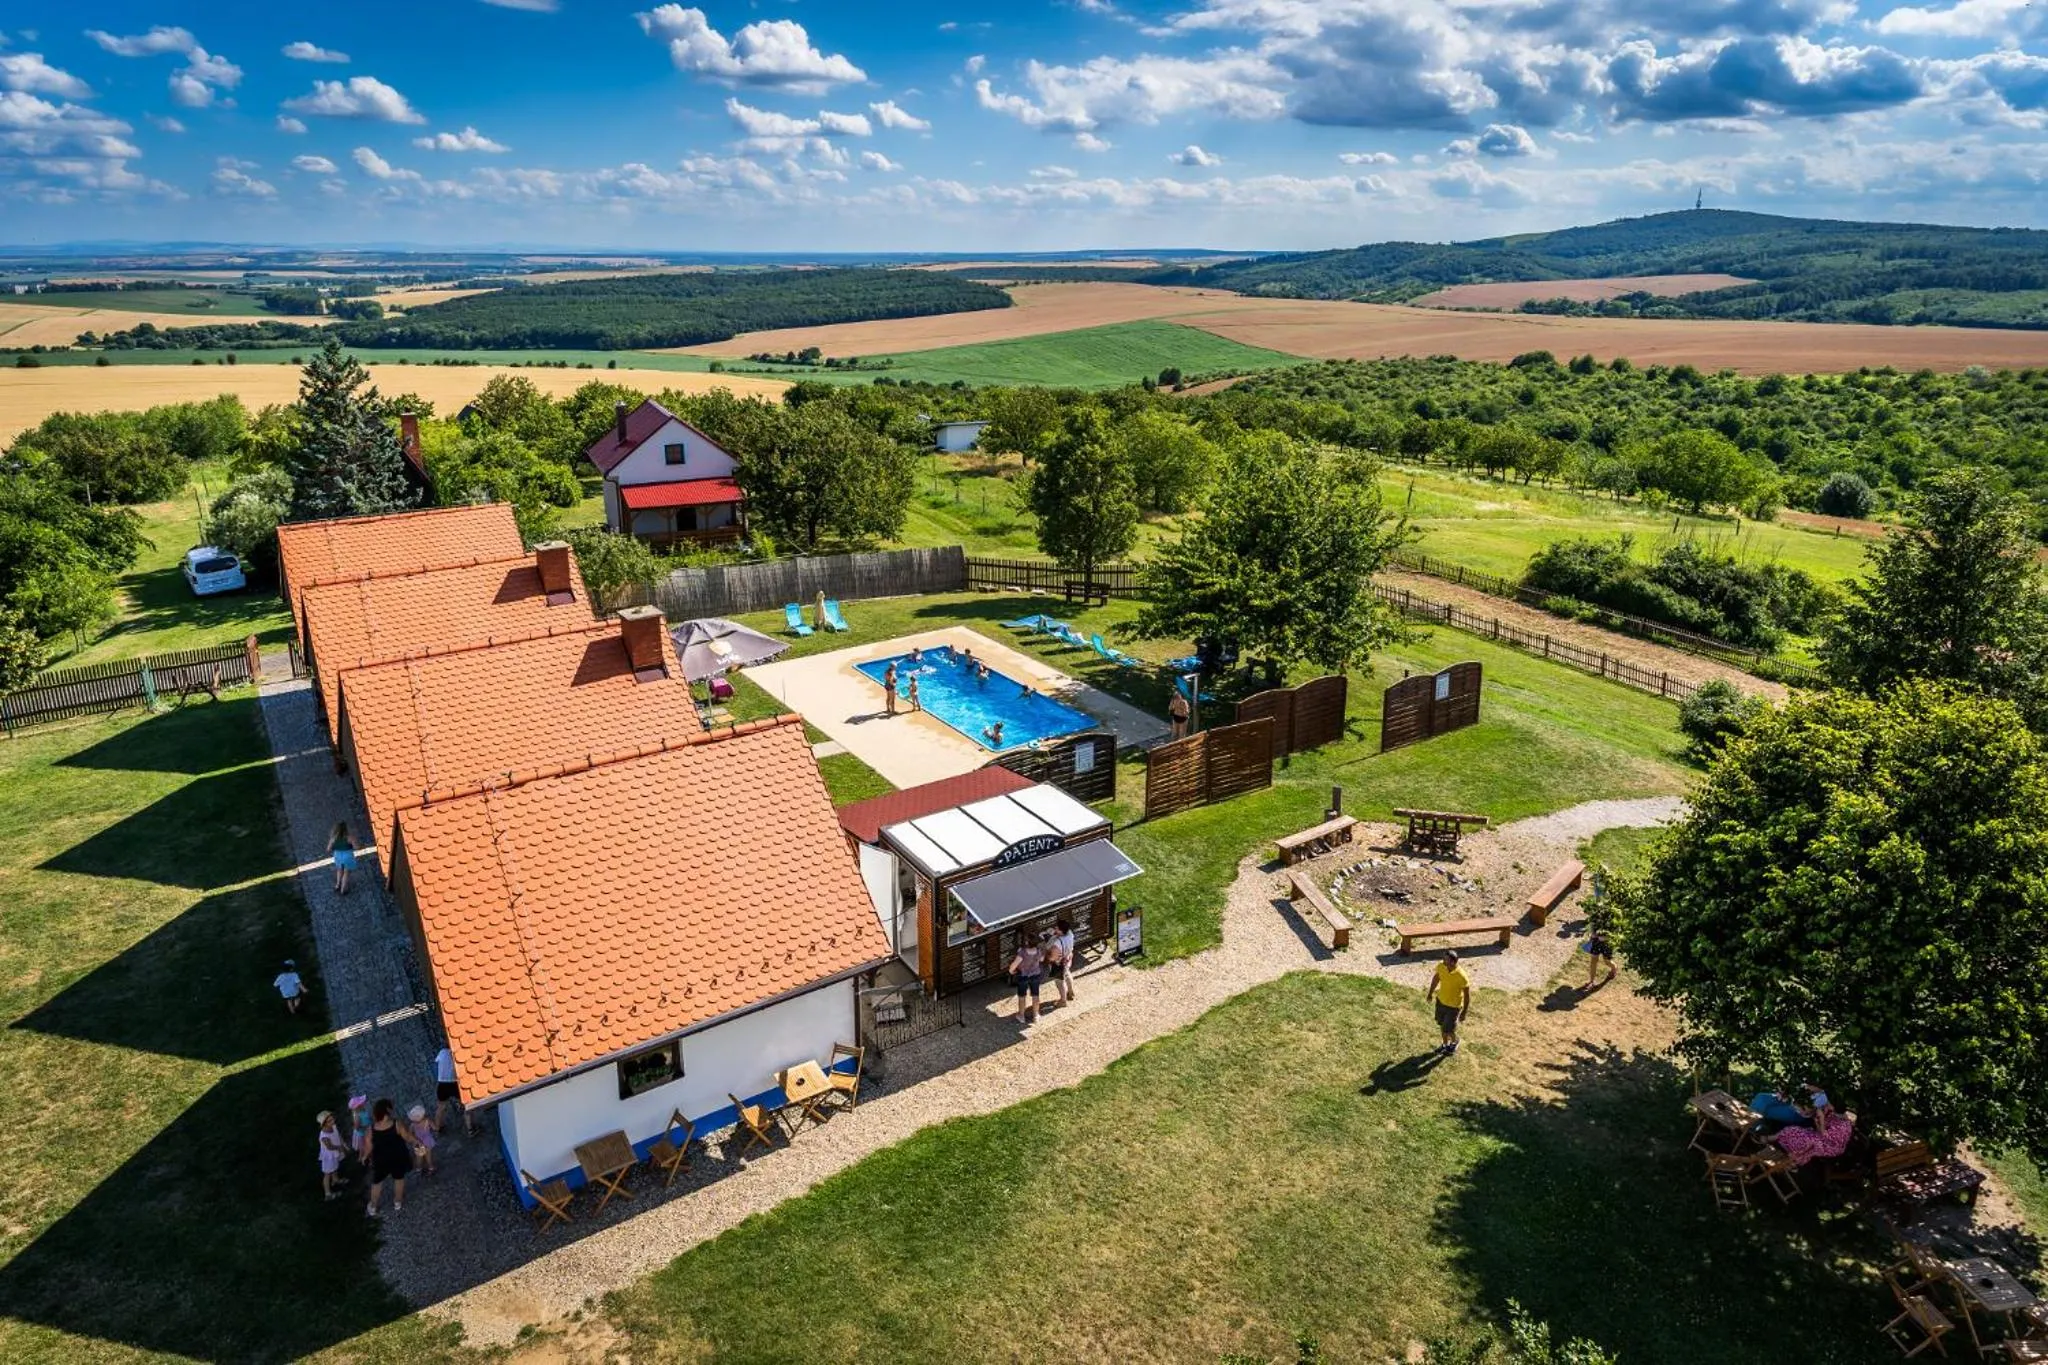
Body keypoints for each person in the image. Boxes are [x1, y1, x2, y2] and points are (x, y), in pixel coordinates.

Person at [363, 1099, 415, 1217]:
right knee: (399, 1178)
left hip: (380, 1160)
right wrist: (417, 1141)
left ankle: (373, 1206)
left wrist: (365, 1156)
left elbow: (368, 1146)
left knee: (377, 1182)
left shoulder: (371, 1129)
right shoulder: (397, 1124)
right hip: (398, 1156)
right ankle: (397, 1202)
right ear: (388, 1110)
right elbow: (407, 1136)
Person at [1426, 951, 1471, 1054]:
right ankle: (1445, 1045)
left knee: (1448, 1030)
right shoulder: (1441, 967)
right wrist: (1430, 993)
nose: (1443, 961)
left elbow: (1467, 996)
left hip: (1453, 1007)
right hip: (1441, 1002)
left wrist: (1464, 1012)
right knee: (1442, 1026)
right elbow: (1436, 979)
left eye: (1446, 959)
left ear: (1453, 962)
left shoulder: (1462, 976)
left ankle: (1455, 1042)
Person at [432, 1045, 469, 1135]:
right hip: (454, 1084)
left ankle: (437, 1127)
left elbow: (435, 1064)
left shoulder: (442, 1052)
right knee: (466, 1105)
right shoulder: (459, 1054)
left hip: (442, 1084)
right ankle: (470, 1129)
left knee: (441, 1107)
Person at [1009, 937, 1045, 1024]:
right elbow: (1042, 959)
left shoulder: (1022, 952)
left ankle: (1021, 1016)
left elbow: (1014, 964)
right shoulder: (1038, 951)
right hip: (1035, 975)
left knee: (1022, 996)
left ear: (1026, 942)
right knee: (1035, 995)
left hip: (1023, 976)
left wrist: (1011, 971)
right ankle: (1036, 1015)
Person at [316, 1111, 348, 1201]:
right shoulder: (324, 1136)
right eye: (329, 1121)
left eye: (332, 1119)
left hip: (335, 1152)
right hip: (329, 1156)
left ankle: (335, 1180)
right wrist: (339, 1148)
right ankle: (328, 1194)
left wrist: (343, 1144)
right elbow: (329, 1147)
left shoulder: (333, 1126)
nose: (333, 1121)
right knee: (327, 1173)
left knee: (335, 1166)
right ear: (324, 1124)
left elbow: (338, 1135)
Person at [406, 1104, 438, 1175]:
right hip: (428, 1142)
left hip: (418, 1142)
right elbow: (435, 1128)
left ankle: (419, 1169)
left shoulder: (412, 1125)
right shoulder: (427, 1121)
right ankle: (431, 1168)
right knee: (428, 1156)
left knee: (419, 1158)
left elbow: (409, 1134)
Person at [328, 821, 357, 896]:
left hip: (337, 855)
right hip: (348, 855)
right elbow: (356, 847)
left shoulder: (333, 838)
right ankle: (343, 889)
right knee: (346, 872)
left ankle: (337, 885)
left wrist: (336, 847)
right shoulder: (349, 837)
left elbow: (328, 849)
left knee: (339, 870)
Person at [1583, 924, 1616, 990]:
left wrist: (1606, 937)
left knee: (1607, 961)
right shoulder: (1597, 919)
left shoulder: (1613, 920)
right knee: (1593, 962)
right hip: (1596, 942)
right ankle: (1591, 982)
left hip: (1607, 944)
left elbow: (1615, 933)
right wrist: (1592, 933)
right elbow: (1592, 924)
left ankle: (1614, 969)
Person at [1053, 918, 1077, 1006]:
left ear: (1061, 931)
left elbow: (1053, 956)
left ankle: (1063, 1001)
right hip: (1068, 957)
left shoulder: (1058, 942)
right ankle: (1071, 992)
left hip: (1060, 963)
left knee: (1059, 982)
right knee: (1067, 974)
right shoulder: (1070, 934)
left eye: (1057, 928)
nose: (1055, 929)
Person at [348, 1094, 372, 1162]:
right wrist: (366, 1127)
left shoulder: (363, 1110)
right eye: (362, 1102)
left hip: (367, 1131)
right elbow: (357, 1127)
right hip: (363, 1134)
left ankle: (362, 1157)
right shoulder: (357, 1116)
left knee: (365, 1146)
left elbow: (367, 1118)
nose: (364, 1103)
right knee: (365, 1146)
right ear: (358, 1106)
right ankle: (365, 1158)